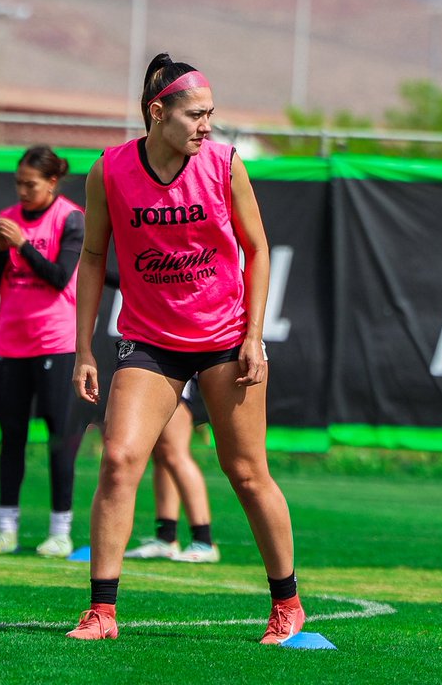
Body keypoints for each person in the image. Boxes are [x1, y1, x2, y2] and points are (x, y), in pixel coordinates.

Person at [69, 53, 303, 643]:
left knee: (246, 473)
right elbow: (93, 257)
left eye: (211, 115)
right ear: (158, 112)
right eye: (196, 115)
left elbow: (258, 249)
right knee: (119, 460)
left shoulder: (225, 165)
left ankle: (288, 604)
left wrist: (254, 336)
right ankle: (101, 611)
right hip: (149, 340)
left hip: (225, 339)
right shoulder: (110, 171)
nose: (207, 126)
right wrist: (84, 350)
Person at [0, 146, 88, 559]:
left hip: (54, 343)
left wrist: (22, 245)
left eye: (31, 184)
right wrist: (1, 250)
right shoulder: (9, 219)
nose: (22, 191)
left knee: (60, 439)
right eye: (18, 183)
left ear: (52, 182)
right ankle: (6, 529)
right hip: (9, 343)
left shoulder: (70, 218)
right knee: (12, 439)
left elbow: (60, 278)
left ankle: (61, 531)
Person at [124, 377, 219, 563]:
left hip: (173, 370)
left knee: (175, 453)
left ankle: (204, 541)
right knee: (162, 454)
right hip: (155, 367)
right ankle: (166, 538)